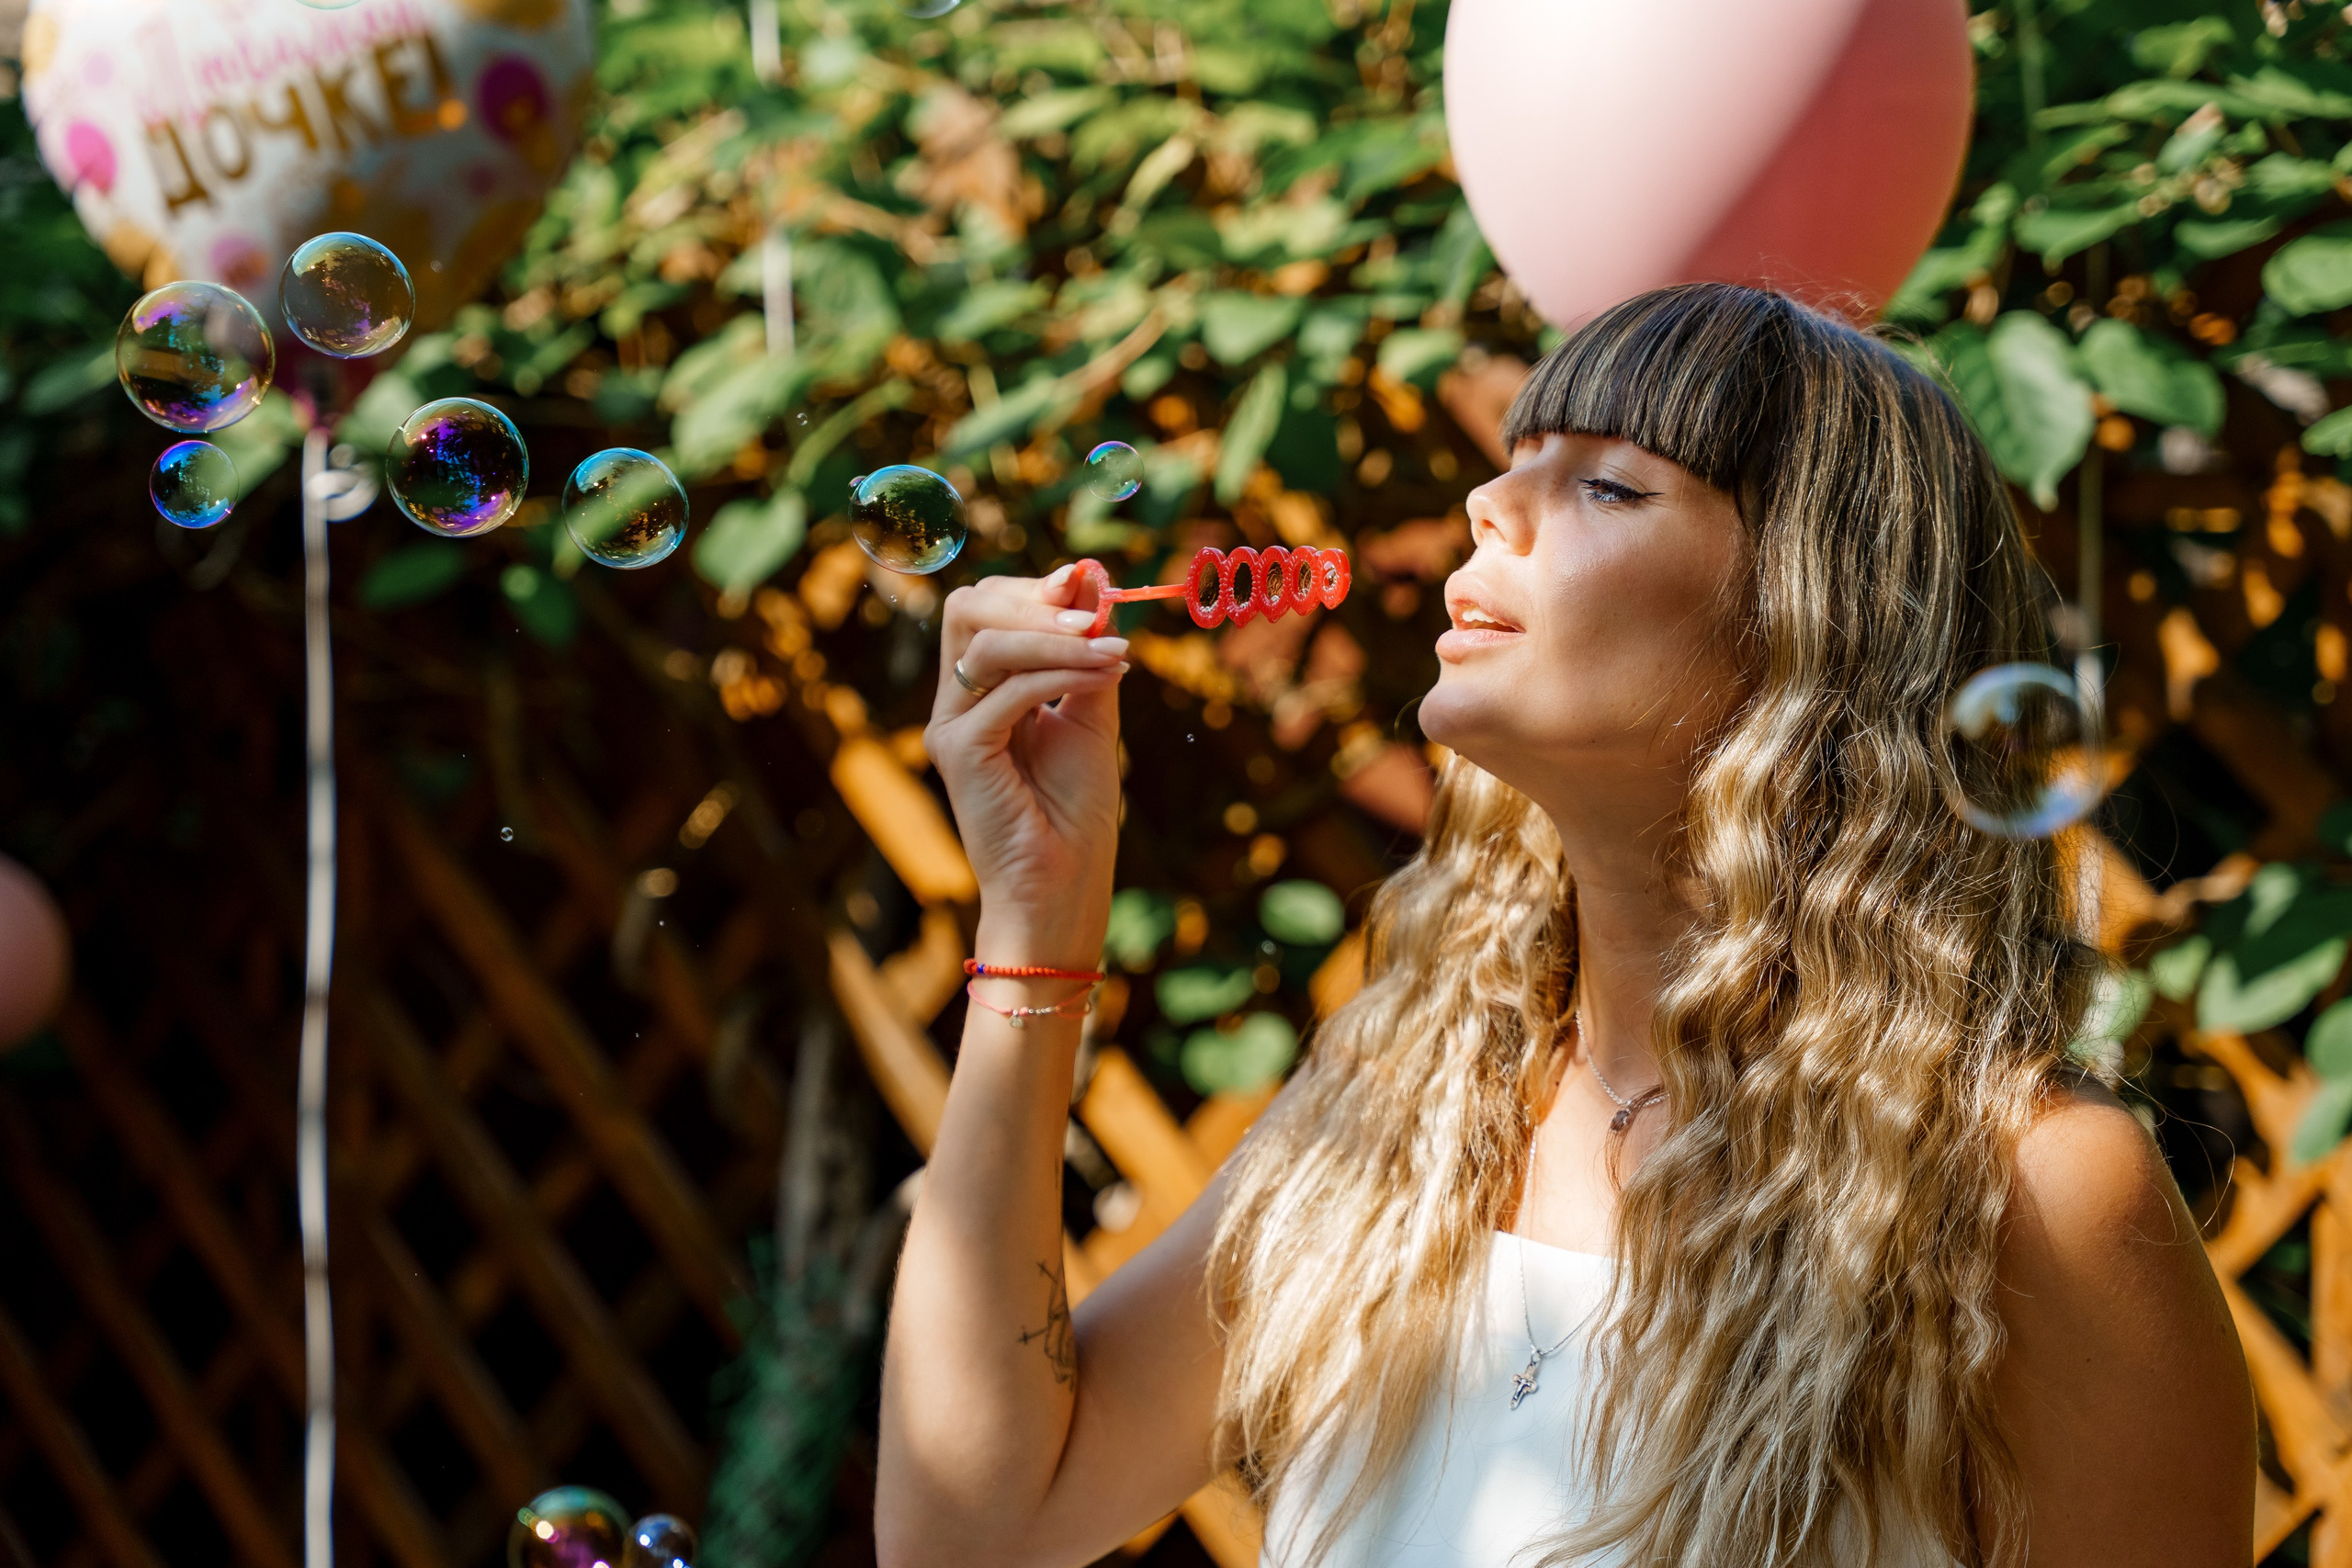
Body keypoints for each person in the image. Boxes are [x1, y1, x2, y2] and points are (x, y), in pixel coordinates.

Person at [876, 284, 2255, 1568]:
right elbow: (976, 1527)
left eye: (1605, 483)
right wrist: (1035, 919)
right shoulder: (1407, 1111)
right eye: (1512, 459)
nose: (1489, 501)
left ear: (1809, 624)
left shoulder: (2031, 1195)